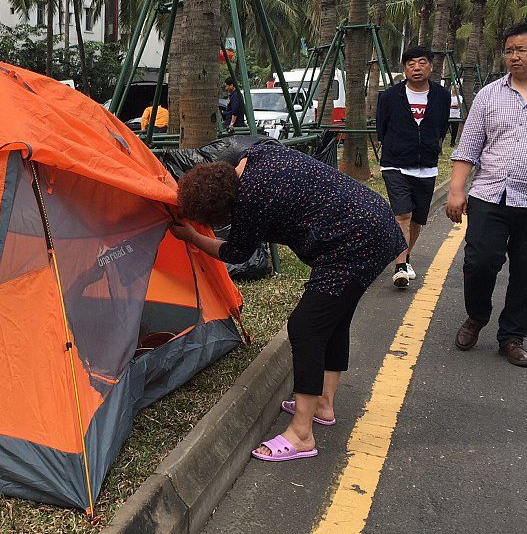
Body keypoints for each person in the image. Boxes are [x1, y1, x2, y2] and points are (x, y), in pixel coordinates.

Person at [170, 140, 405, 462]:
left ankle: (301, 435)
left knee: (305, 327)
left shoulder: (251, 201)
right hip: (375, 220)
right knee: (333, 319)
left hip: (355, 244)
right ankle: (323, 403)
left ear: (226, 211)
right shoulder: (258, 154)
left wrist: (193, 238)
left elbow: (234, 253)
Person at [447, 21, 527, 368]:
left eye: (521, 50)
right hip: (490, 195)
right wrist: (455, 190)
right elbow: (469, 146)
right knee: (479, 262)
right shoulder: (489, 94)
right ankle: (476, 316)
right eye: (509, 50)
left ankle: (511, 337)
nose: (513, 57)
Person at [375, 46, 451, 289]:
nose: (416, 68)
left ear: (430, 66)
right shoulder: (389, 97)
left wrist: (429, 147)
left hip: (426, 166)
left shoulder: (441, 95)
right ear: (405, 68)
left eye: (421, 63)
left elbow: (441, 126)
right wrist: (397, 148)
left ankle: (405, 258)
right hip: (395, 164)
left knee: (417, 218)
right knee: (402, 215)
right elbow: (381, 129)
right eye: (410, 64)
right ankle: (399, 267)